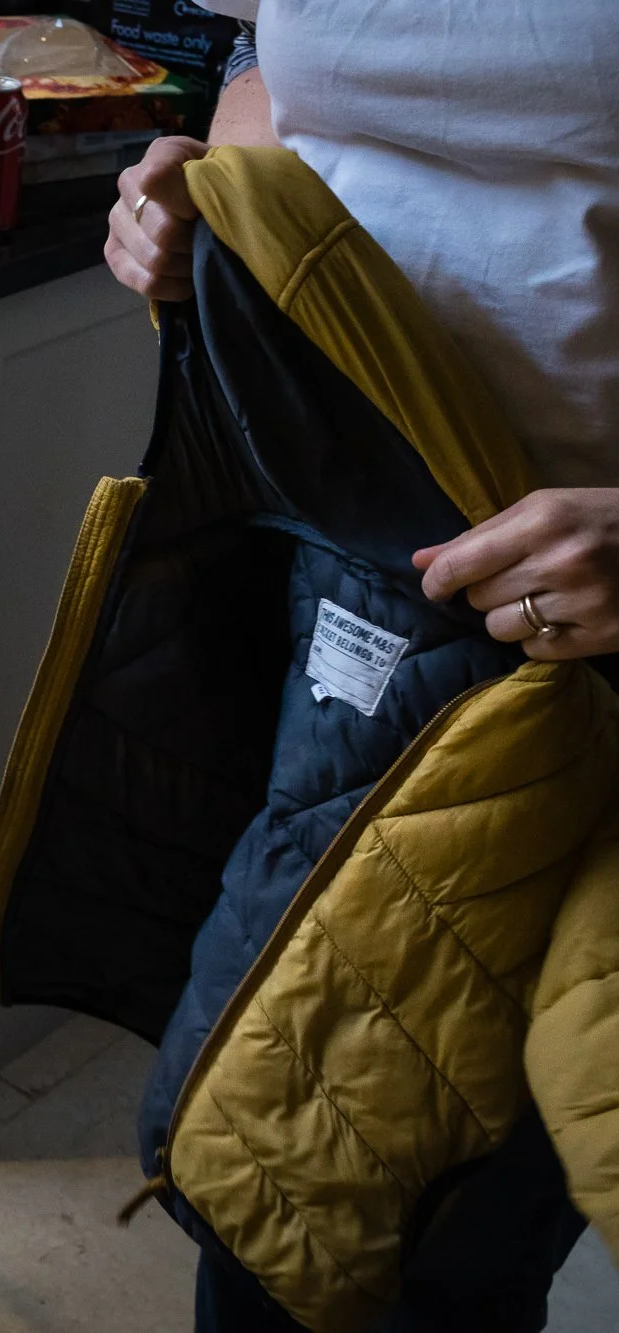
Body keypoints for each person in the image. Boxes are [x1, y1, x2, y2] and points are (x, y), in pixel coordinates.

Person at [102, 3, 619, 1328]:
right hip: (353, 563)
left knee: (461, 1214)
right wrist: (216, 212)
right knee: (276, 1168)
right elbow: (277, 71)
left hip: (593, 638)